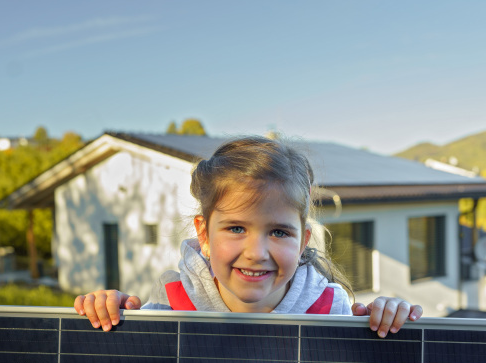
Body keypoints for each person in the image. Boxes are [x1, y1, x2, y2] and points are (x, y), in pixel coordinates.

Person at [74, 136, 423, 337]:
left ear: (303, 242)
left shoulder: (330, 310)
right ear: (204, 235)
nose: (256, 252)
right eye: (236, 228)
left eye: (279, 232)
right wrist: (110, 311)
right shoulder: (173, 299)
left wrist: (388, 320)